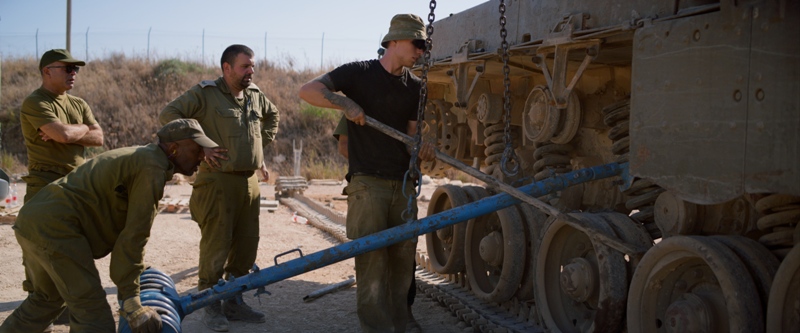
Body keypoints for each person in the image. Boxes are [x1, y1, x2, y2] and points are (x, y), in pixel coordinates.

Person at [0, 118, 218, 333]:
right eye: (197, 149)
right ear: (173, 148)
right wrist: (131, 300)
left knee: (47, 299)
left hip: (34, 220)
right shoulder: (151, 168)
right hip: (57, 227)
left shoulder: (144, 157)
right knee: (93, 315)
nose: (202, 156)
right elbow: (134, 236)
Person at [300, 14, 435, 332]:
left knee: (403, 265)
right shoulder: (357, 74)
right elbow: (308, 91)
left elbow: (412, 142)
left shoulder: (416, 88)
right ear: (396, 40)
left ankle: (400, 325)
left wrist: (422, 147)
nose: (421, 52)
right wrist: (343, 104)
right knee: (373, 263)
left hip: (402, 185)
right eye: (418, 44)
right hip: (368, 184)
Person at [159, 44, 280, 332]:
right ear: (226, 68)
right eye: (244, 66)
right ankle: (209, 303)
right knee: (217, 243)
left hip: (248, 182)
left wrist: (258, 147)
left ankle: (234, 301)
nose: (250, 71)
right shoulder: (205, 93)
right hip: (217, 181)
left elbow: (273, 116)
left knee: (246, 244)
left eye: (252, 66)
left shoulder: (255, 95)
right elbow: (169, 115)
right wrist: (201, 145)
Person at [20, 48, 104, 203]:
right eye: (68, 68)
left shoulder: (79, 103)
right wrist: (85, 127)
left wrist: (67, 132)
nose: (73, 73)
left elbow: (98, 138)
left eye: (75, 69)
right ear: (47, 71)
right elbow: (63, 135)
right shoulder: (36, 101)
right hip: (46, 183)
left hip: (76, 182)